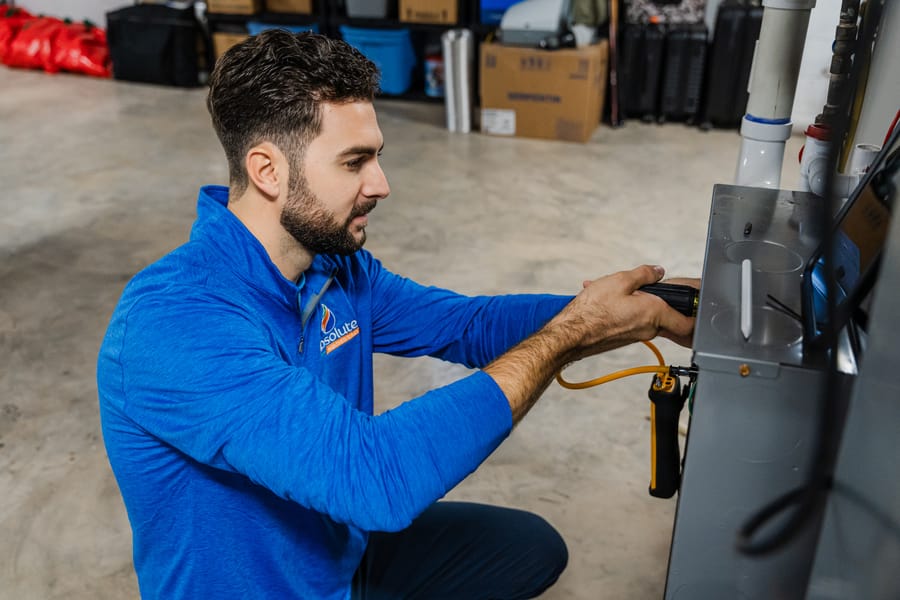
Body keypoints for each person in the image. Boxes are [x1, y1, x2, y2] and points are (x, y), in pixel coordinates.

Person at [97, 30, 696, 600]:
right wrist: (573, 333)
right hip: (269, 583)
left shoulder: (335, 266)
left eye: (377, 157)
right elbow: (373, 477)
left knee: (531, 550)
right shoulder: (173, 323)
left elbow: (468, 326)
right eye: (354, 162)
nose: (381, 184)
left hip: (339, 556)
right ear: (268, 171)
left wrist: (649, 308)